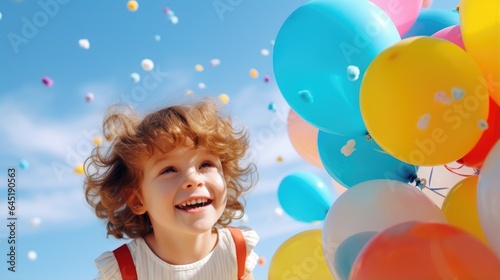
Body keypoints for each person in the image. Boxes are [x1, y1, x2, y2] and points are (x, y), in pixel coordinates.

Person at [84, 97, 259, 279]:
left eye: (206, 164)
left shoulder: (237, 252)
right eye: (169, 170)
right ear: (138, 199)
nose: (193, 178)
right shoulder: (125, 270)